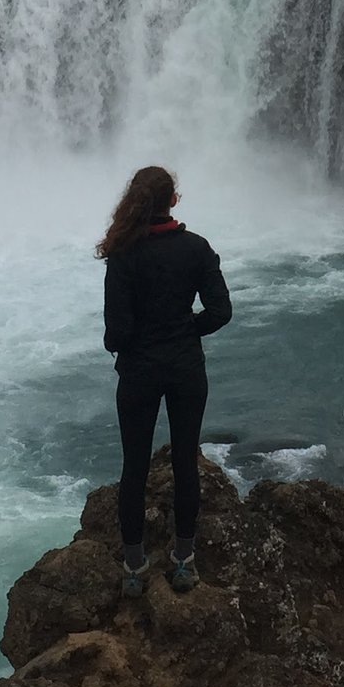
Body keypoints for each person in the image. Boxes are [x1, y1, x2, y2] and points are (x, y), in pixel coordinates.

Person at [96, 164, 231, 597]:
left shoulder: (123, 253)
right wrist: (187, 329)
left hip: (138, 369)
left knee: (134, 466)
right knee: (185, 462)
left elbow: (116, 330)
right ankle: (184, 561)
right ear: (173, 200)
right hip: (186, 367)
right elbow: (220, 311)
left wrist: (125, 343)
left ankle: (134, 567)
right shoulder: (196, 248)